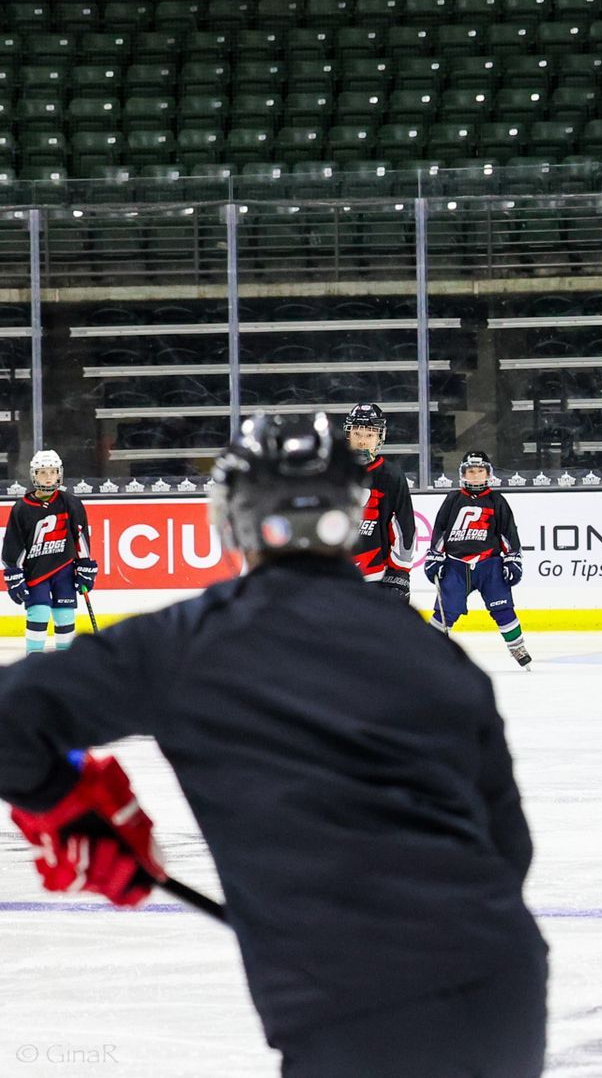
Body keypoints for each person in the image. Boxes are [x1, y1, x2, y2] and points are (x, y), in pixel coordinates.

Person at [0, 413, 548, 1077]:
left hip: (350, 1009)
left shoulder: (191, 642)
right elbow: (508, 848)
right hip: (504, 985)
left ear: (229, 521)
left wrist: (67, 801)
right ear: (352, 516)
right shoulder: (435, 655)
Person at [426, 450, 532, 669]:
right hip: (455, 564)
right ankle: (427, 648)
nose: (475, 476)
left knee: (503, 608)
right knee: (446, 611)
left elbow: (508, 533)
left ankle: (517, 646)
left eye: (480, 471)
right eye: (471, 471)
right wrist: (435, 557)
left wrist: (512, 559)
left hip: (489, 565)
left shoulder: (496, 501)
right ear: (463, 473)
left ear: (488, 473)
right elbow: (440, 531)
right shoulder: (453, 499)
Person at [2, 450, 97, 652]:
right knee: (39, 613)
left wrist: (85, 568)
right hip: (36, 572)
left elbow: (80, 537)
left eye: (52, 472)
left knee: (65, 616)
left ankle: (66, 666)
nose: (48, 477)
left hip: (64, 569)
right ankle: (33, 663)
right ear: (33, 475)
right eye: (42, 472)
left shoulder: (71, 503)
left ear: (59, 474)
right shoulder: (22, 508)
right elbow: (13, 545)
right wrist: (14, 574)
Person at [344, 402, 417, 603]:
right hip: (337, 576)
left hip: (376, 577)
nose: (362, 441)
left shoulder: (391, 476)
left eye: (370, 435)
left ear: (379, 437)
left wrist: (400, 573)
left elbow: (405, 529)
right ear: (348, 435)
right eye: (357, 434)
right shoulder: (333, 472)